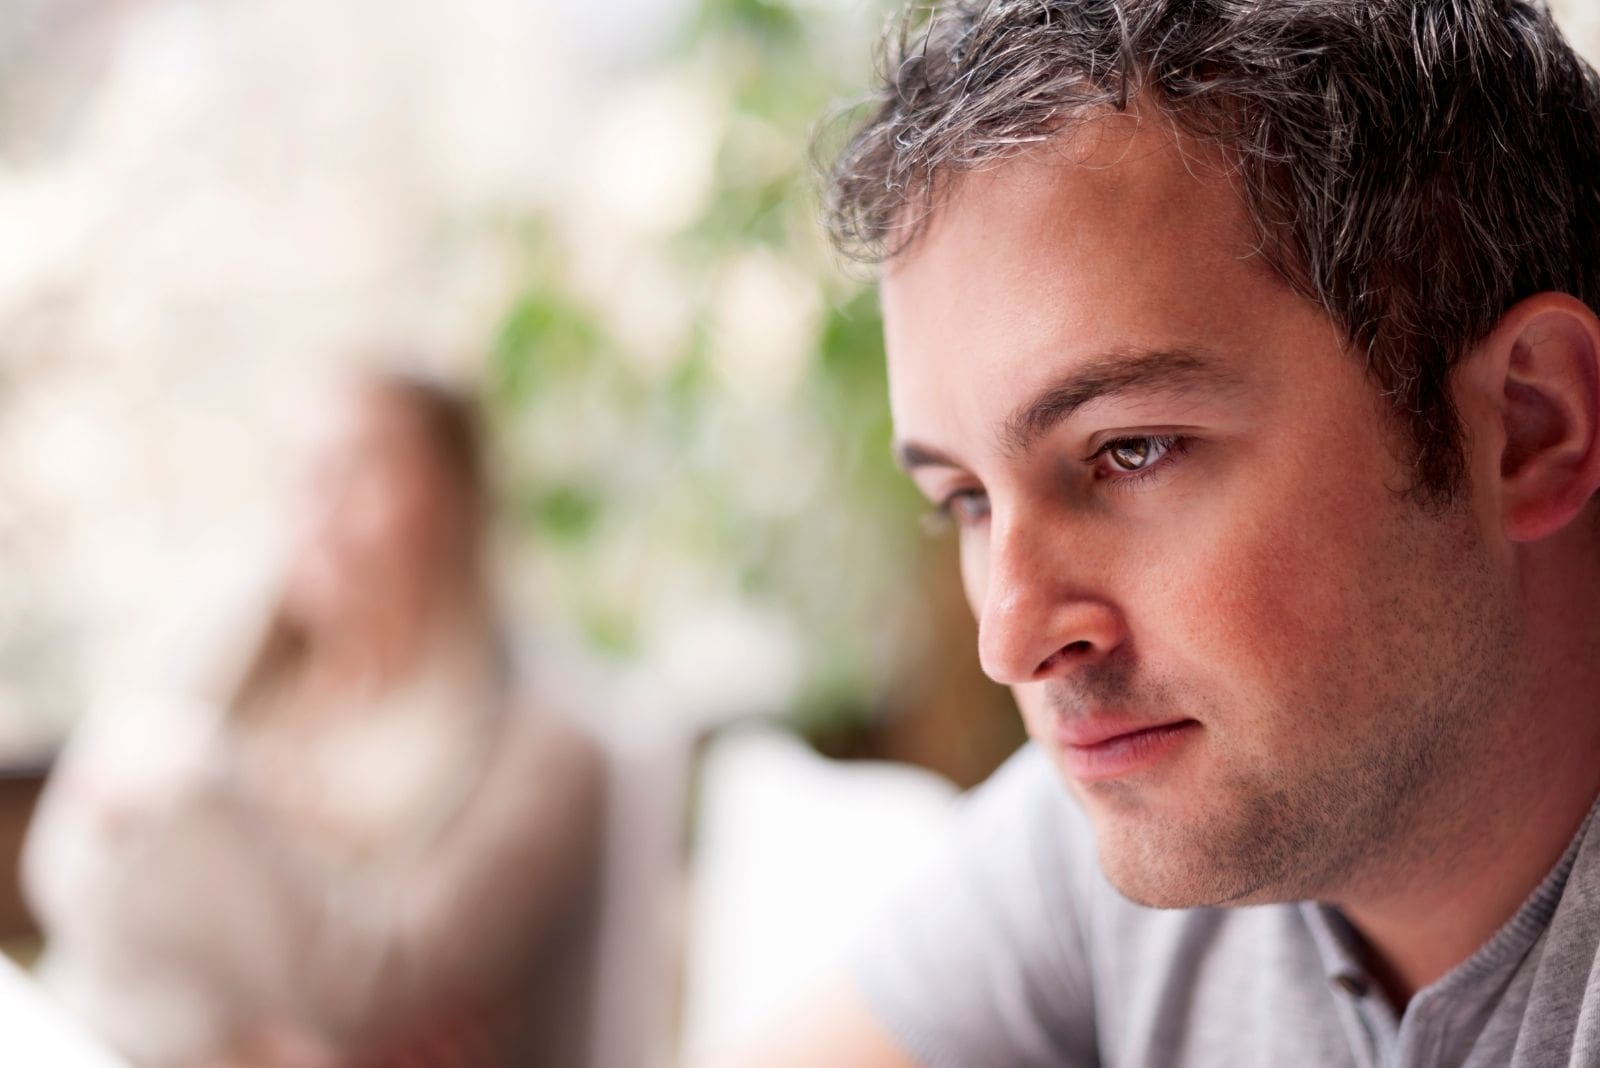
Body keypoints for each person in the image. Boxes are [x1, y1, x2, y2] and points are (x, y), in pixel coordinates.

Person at [740, 1, 1600, 1065]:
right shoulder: (1125, 818)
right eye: (965, 498)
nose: (1009, 642)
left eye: (1130, 450)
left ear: (1530, 426)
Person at [22, 370, 603, 1068]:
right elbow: (58, 871)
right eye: (301, 467)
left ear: (456, 502)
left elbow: (379, 995)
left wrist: (195, 793)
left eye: (359, 465)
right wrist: (241, 1044)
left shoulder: (541, 753)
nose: (316, 499)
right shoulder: (238, 659)